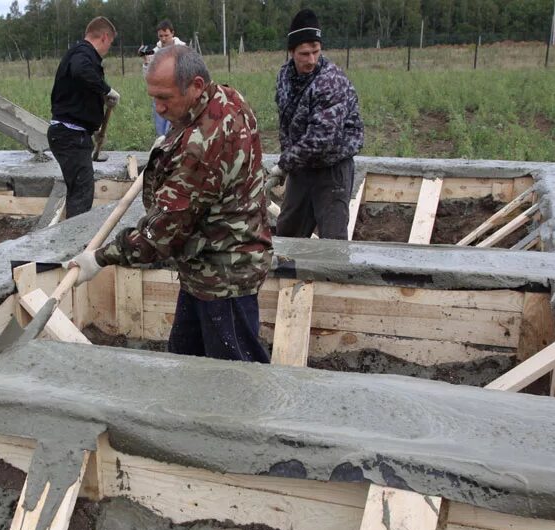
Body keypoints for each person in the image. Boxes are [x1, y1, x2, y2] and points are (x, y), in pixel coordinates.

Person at [69, 46, 273, 363]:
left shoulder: (203, 144)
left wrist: (99, 258)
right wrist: (171, 143)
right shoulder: (225, 97)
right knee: (184, 361)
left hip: (225, 276)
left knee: (235, 380)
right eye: (154, 97)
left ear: (195, 85)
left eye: (165, 97)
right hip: (203, 264)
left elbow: (160, 235)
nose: (159, 107)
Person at [272, 9, 363, 240]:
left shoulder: (330, 81)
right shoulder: (284, 77)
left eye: (316, 51)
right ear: (291, 51)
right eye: (304, 53)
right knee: (288, 234)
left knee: (332, 241)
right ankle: (288, 276)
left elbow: (321, 139)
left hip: (331, 169)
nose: (311, 60)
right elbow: (285, 124)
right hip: (302, 168)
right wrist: (288, 159)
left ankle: (333, 277)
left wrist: (284, 163)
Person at [48, 17, 121, 218]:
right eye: (110, 43)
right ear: (105, 37)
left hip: (72, 132)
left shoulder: (78, 53)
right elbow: (81, 71)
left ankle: (73, 239)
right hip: (69, 136)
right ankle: (75, 244)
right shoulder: (83, 54)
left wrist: (93, 129)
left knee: (79, 190)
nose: (108, 48)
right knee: (82, 193)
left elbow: (77, 97)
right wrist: (106, 90)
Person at [140, 20, 186, 136]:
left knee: (171, 132)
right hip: (159, 97)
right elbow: (148, 78)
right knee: (161, 134)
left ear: (172, 33)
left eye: (166, 35)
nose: (164, 39)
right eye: (161, 36)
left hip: (175, 97)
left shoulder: (182, 50)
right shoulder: (155, 52)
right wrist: (146, 62)